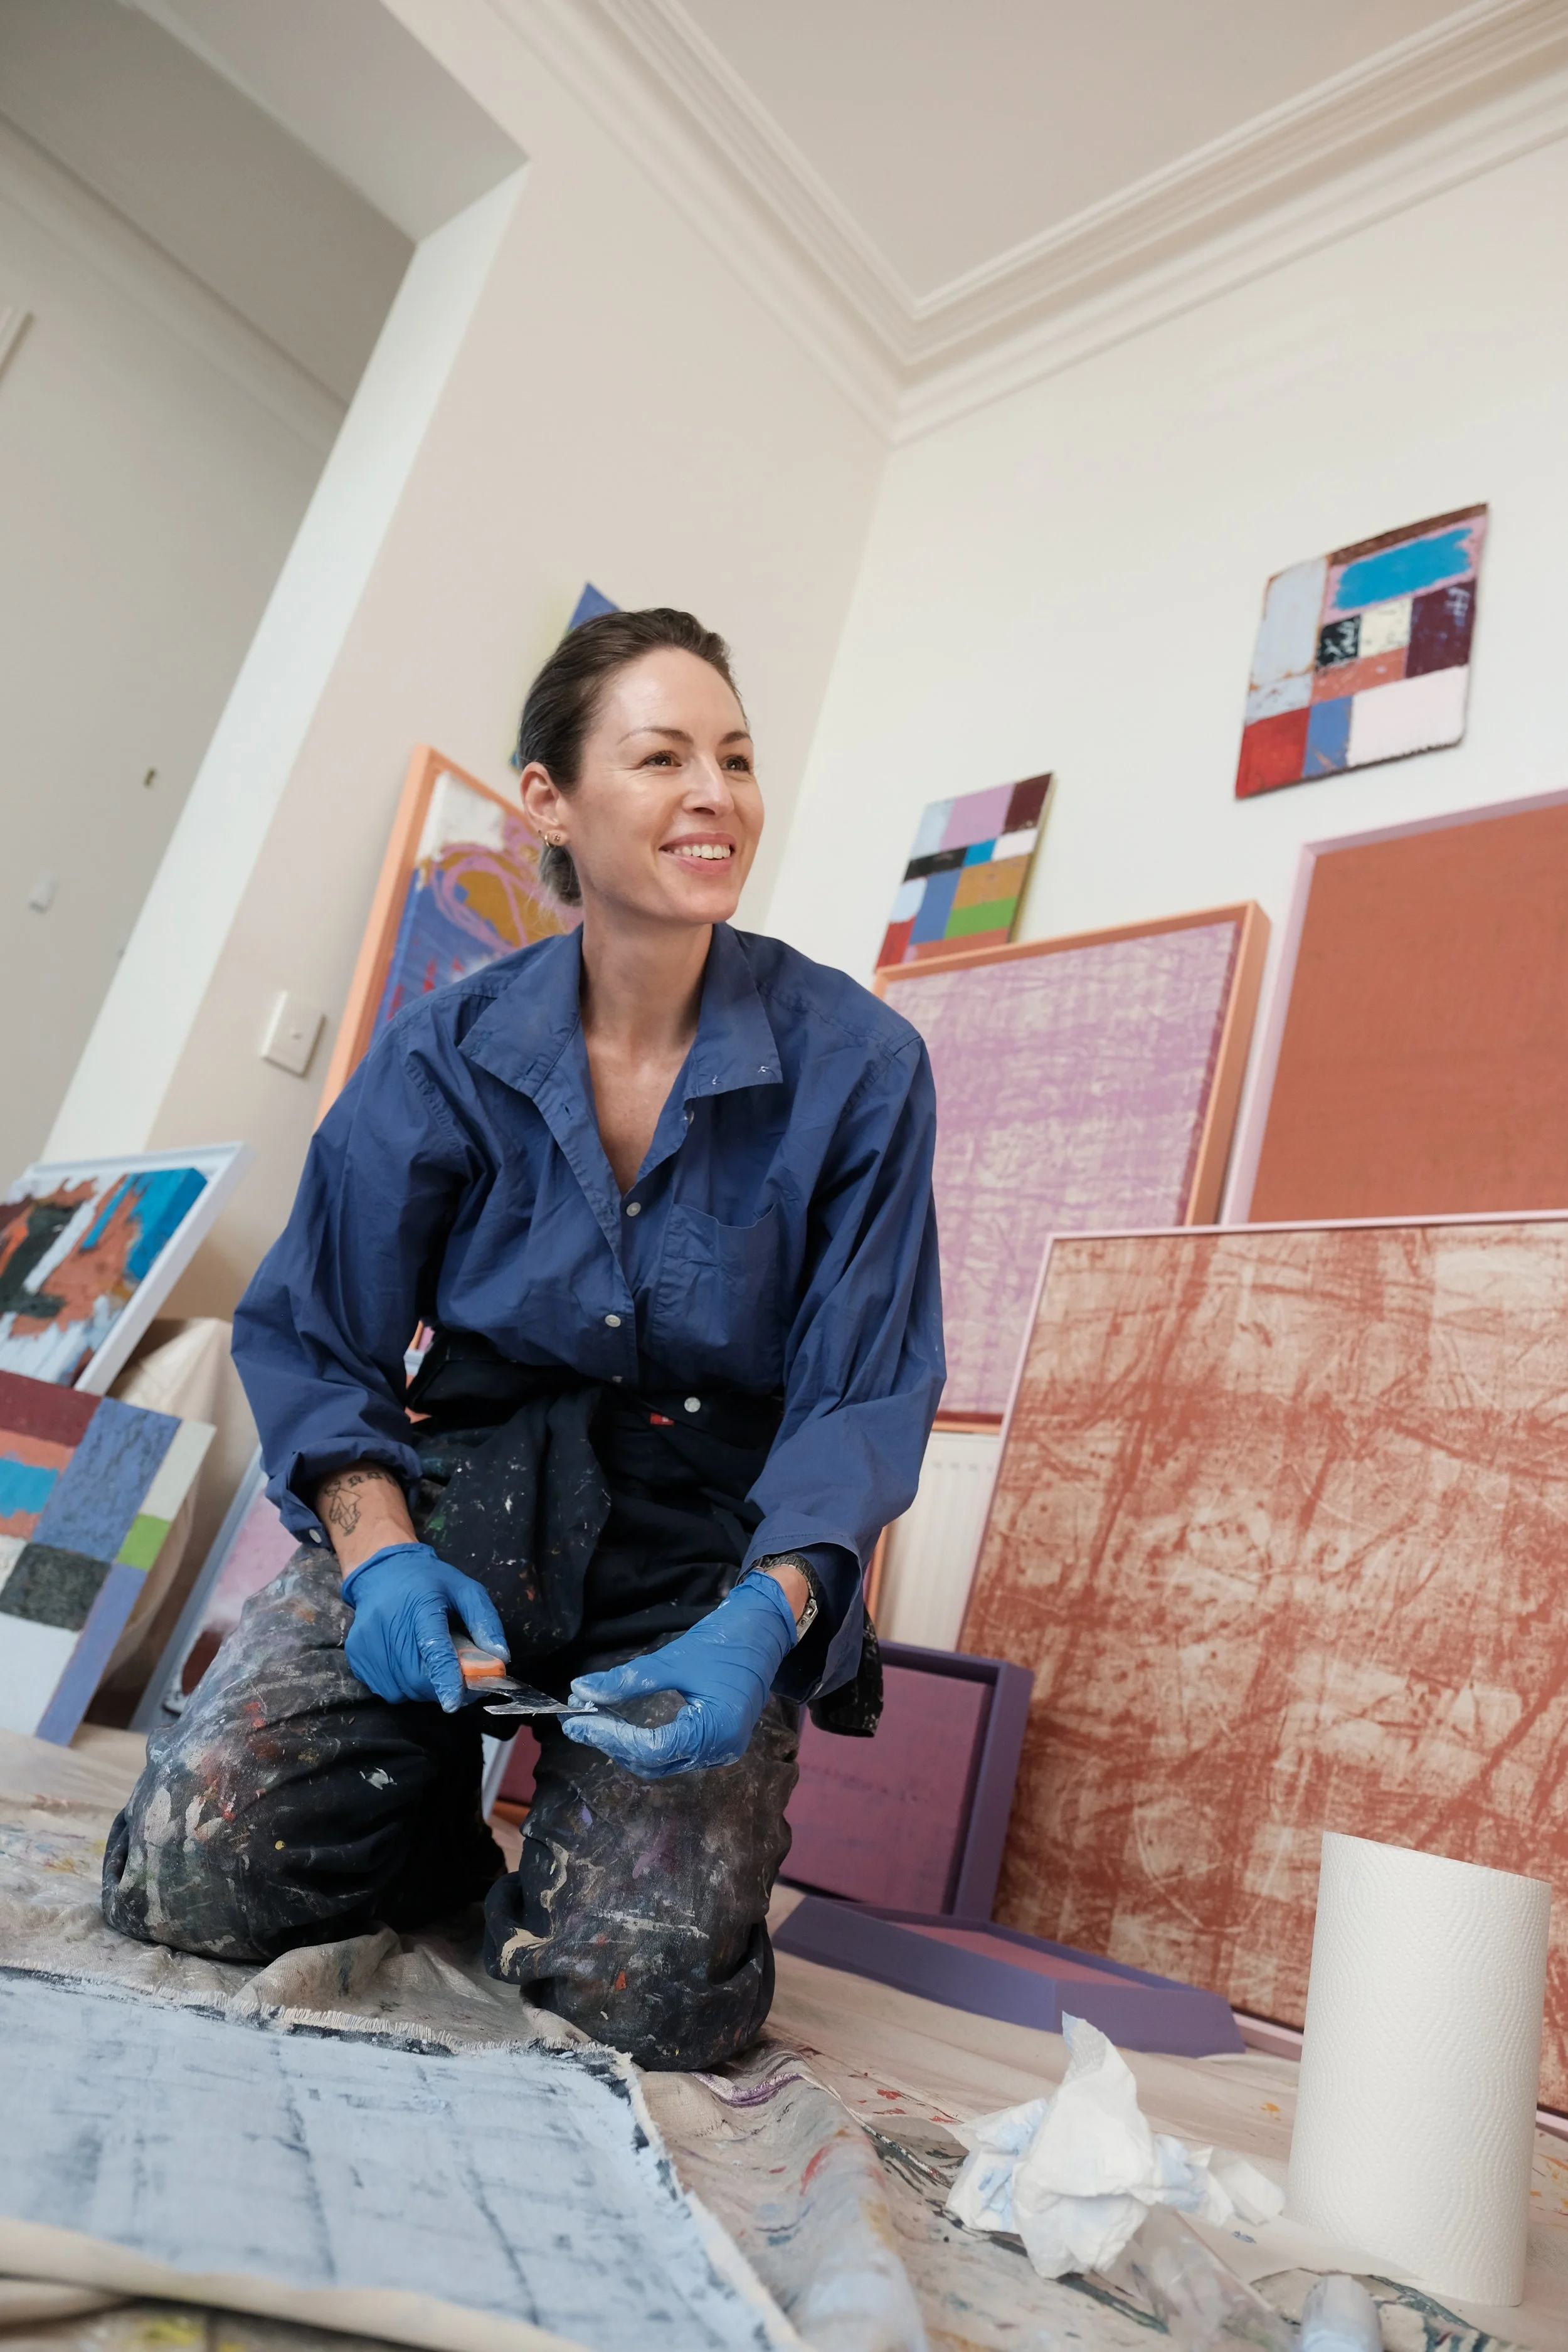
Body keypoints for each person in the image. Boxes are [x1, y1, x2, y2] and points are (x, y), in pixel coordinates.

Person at [103, 607, 944, 2070]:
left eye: (736, 759)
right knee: (199, 1870)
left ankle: (577, 1848)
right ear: (548, 799)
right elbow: (316, 1333)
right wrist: (376, 1552)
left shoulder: (861, 1065)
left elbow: (862, 1396)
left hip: (706, 1539)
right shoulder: (442, 1049)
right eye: (663, 755)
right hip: (463, 1497)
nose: (715, 795)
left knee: (641, 1998)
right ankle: (428, 1819)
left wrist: (770, 1616)